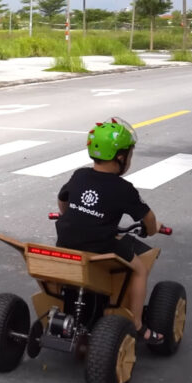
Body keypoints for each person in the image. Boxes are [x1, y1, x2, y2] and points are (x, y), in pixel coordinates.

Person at [55, 118, 164, 343]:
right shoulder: (123, 189)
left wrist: (67, 214)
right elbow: (149, 218)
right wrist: (152, 230)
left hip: (65, 241)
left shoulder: (79, 175)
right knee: (140, 269)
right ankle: (136, 324)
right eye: (130, 155)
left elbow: (62, 199)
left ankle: (63, 310)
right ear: (121, 157)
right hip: (101, 246)